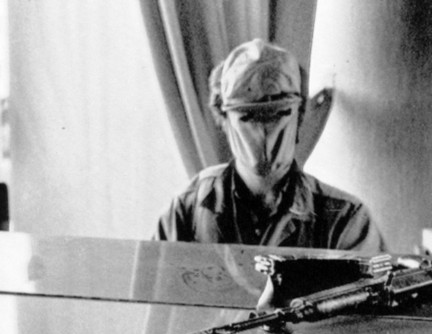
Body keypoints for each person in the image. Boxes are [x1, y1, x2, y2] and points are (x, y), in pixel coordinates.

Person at [155, 38, 385, 252]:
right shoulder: (189, 208)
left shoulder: (345, 218)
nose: (265, 132)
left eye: (280, 113)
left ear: (300, 116)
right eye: (247, 116)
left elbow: (368, 293)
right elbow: (154, 288)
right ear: (222, 119)